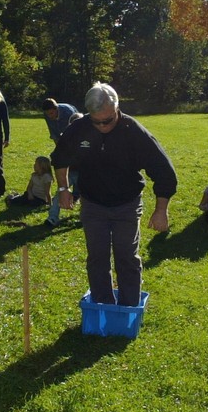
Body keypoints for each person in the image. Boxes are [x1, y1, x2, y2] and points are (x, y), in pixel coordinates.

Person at [52, 82, 176, 306]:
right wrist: (63, 189)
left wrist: (161, 211)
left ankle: (129, 307)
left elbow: (165, 172)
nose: (101, 126)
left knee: (126, 257)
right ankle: (103, 305)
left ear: (117, 109)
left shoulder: (135, 133)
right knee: (97, 258)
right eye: (96, 121)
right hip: (93, 203)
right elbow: (60, 157)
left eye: (107, 121)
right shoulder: (79, 128)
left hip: (126, 204)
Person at [43, 97, 82, 226]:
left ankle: (85, 217)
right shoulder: (67, 142)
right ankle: (53, 217)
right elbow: (58, 159)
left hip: (85, 175)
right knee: (59, 195)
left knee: (89, 197)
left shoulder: (90, 142)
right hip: (70, 173)